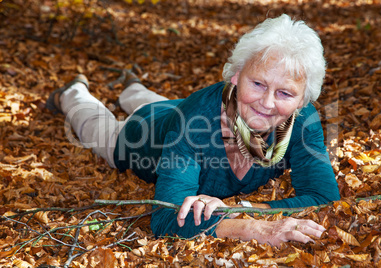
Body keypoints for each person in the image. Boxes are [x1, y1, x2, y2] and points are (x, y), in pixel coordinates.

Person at [46, 14, 340, 247]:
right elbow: (165, 218)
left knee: (167, 106)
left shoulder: (303, 119)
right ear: (236, 77)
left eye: (285, 94)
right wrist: (255, 227)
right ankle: (73, 92)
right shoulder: (194, 121)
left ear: (303, 100)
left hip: (179, 109)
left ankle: (132, 86)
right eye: (258, 84)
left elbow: (323, 196)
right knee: (99, 128)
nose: (267, 103)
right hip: (142, 132)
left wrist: (242, 207)